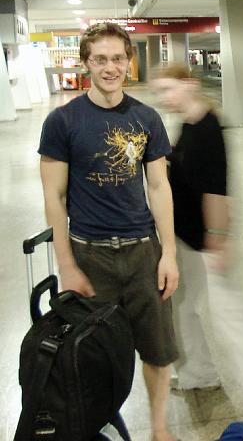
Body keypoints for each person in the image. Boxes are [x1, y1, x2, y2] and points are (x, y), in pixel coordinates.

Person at [38, 22, 179, 441]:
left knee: (157, 349)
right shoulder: (62, 122)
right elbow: (54, 199)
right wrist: (66, 265)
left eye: (117, 58)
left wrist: (168, 252)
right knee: (94, 354)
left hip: (142, 252)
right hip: (90, 255)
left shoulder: (146, 117)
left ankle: (158, 429)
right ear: (85, 64)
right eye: (99, 59)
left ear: (129, 62)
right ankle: (95, 427)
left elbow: (159, 187)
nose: (110, 67)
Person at [150, 64, 243, 417]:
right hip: (184, 238)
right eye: (159, 92)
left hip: (206, 239)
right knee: (182, 309)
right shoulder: (189, 123)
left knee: (229, 314)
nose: (165, 98)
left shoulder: (209, 126)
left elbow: (217, 188)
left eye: (169, 89)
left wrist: (219, 239)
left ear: (189, 84)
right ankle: (198, 374)